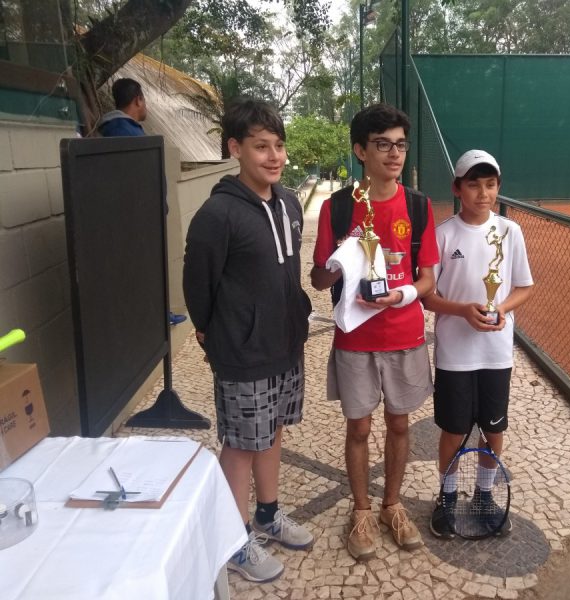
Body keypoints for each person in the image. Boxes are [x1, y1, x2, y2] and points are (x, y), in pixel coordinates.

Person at [183, 98, 314, 582]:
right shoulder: (217, 214)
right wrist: (211, 333)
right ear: (236, 149)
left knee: (273, 431)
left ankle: (267, 514)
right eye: (261, 147)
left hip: (285, 344)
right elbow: (198, 283)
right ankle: (235, 539)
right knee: (240, 444)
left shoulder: (290, 203)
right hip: (242, 351)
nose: (274, 156)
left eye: (278, 145)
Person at [310, 103, 439, 561]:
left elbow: (428, 280)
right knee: (359, 427)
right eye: (382, 144)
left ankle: (392, 506)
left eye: (400, 144)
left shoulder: (419, 206)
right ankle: (362, 510)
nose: (394, 153)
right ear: (360, 150)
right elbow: (319, 280)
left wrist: (403, 296)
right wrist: (340, 261)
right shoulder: (339, 206)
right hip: (355, 337)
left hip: (404, 334)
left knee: (400, 423)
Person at [422, 150, 533, 539]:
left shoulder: (510, 232)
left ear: (498, 187)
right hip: (455, 354)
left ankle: (484, 495)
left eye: (490, 184)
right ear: (458, 188)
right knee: (454, 430)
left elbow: (523, 287)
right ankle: (448, 497)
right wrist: (462, 311)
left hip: (496, 352)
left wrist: (500, 308)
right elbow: (428, 296)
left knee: (493, 428)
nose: (482, 192)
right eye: (473, 184)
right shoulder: (443, 234)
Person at [98, 77, 187, 326]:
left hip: (137, 217)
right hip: (137, 220)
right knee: (145, 271)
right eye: (144, 99)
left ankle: (154, 315)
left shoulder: (117, 130)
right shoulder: (125, 133)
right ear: (138, 99)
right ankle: (155, 317)